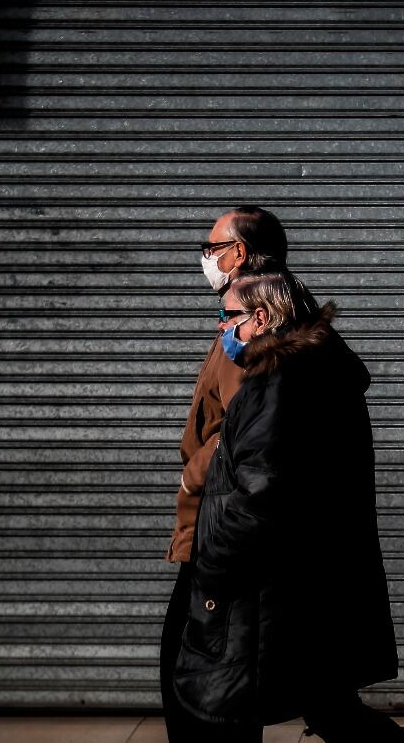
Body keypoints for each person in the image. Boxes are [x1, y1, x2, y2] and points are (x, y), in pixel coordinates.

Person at [171, 272, 404, 743]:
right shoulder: (313, 370)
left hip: (271, 585)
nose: (221, 327)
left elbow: (261, 492)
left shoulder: (276, 382)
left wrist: (211, 560)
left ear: (260, 319)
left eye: (228, 316)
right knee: (330, 708)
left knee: (220, 707)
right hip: (310, 579)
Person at [161, 206, 296, 742]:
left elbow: (247, 435)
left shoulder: (258, 321)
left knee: (201, 686)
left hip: (219, 529)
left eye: (212, 247)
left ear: (239, 252)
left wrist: (193, 479)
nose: (206, 257)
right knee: (218, 680)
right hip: (217, 524)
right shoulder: (249, 313)